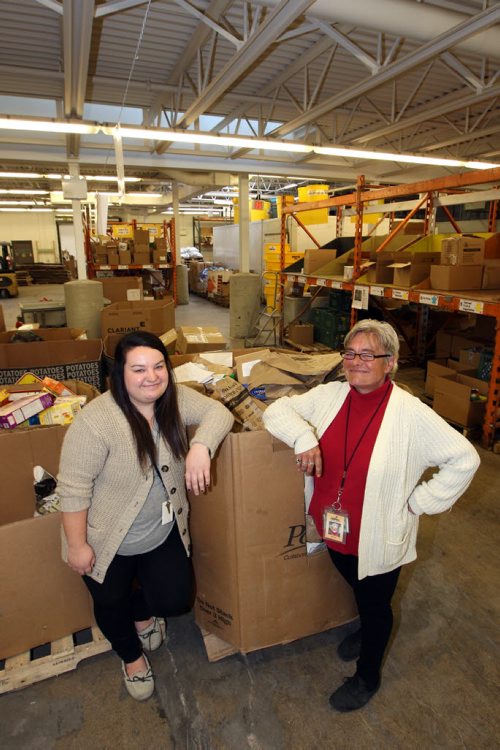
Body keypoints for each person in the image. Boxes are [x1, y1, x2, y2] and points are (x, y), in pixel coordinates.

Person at [262, 319, 480, 713]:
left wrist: (421, 501)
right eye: (350, 353)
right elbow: (276, 411)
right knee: (355, 584)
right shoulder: (329, 395)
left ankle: (367, 675)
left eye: (368, 354)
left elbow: (465, 458)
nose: (356, 361)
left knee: (377, 604)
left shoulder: (410, 414)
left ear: (390, 362)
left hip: (378, 535)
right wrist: (304, 437)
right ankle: (365, 628)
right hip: (334, 527)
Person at [58, 331, 234, 701]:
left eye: (158, 367)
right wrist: (77, 545)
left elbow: (218, 412)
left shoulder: (173, 400)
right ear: (119, 374)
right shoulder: (96, 422)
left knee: (176, 600)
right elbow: (73, 490)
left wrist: (201, 445)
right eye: (138, 369)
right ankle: (131, 657)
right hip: (105, 539)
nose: (151, 377)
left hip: (160, 529)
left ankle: (144, 613)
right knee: (109, 602)